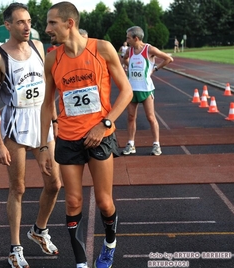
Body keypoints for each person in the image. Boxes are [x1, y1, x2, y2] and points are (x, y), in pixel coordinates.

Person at [40, 2, 133, 268]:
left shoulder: (102, 48)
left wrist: (104, 124)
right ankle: (81, 263)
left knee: (104, 202)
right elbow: (47, 104)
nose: (47, 29)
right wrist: (44, 146)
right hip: (68, 139)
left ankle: (110, 245)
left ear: (70, 23)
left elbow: (126, 92)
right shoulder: (52, 58)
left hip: (99, 136)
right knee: (72, 201)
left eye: (52, 23)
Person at [0, 3, 61, 268]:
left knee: (54, 184)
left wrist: (53, 120)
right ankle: (15, 248)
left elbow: (47, 89)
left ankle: (39, 230)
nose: (27, 26)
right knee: (18, 188)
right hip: (15, 127)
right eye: (20, 22)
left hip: (41, 124)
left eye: (29, 21)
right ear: (8, 25)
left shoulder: (39, 47)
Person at [122, 26, 173, 156]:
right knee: (131, 117)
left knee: (150, 117)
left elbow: (168, 59)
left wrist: (154, 69)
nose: (126, 40)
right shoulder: (130, 50)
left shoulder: (149, 49)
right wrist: (130, 68)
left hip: (146, 89)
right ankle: (131, 144)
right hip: (132, 89)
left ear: (136, 38)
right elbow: (125, 59)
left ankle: (156, 144)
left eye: (128, 38)